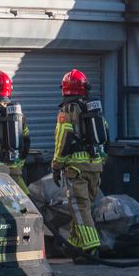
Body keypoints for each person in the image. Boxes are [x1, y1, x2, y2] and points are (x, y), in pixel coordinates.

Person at [51, 68, 108, 253]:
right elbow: (106, 135)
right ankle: (75, 245)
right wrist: (101, 161)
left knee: (79, 207)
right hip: (95, 167)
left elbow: (63, 139)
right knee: (82, 206)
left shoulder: (67, 111)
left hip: (76, 169)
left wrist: (56, 165)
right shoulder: (94, 109)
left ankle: (92, 247)